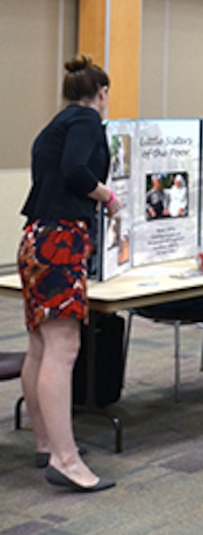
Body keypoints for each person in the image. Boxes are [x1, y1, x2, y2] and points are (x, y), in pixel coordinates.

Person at [20, 55, 121, 492]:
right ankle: (65, 458)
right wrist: (109, 197)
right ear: (102, 94)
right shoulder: (85, 120)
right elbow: (76, 172)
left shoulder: (55, 124)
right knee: (63, 346)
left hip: (36, 234)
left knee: (41, 343)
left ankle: (47, 443)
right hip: (61, 237)